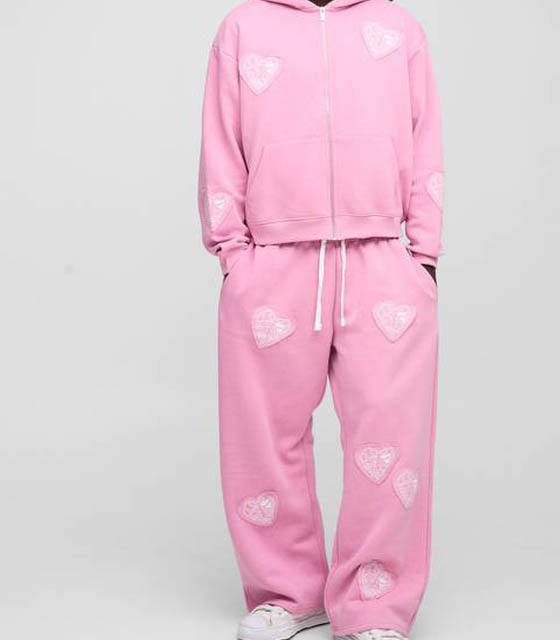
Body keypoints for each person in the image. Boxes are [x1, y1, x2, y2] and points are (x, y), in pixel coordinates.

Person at [197, 0, 443, 638]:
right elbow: (220, 142)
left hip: (381, 259)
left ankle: (374, 602)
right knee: (262, 439)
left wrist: (423, 256)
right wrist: (234, 256)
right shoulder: (243, 28)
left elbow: (426, 139)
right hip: (273, 262)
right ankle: (288, 591)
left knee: (388, 441)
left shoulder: (397, 28)